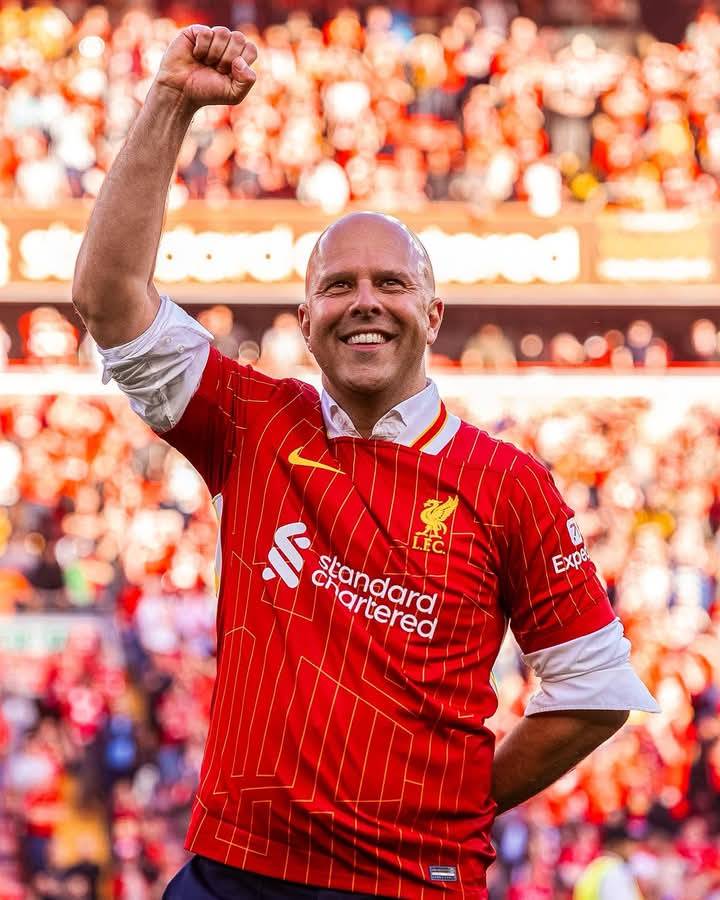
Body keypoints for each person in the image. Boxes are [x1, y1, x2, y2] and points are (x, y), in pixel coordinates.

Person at [71, 24, 659, 900]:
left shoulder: (508, 483)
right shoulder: (252, 423)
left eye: (391, 284)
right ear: (305, 322)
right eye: (338, 286)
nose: (365, 303)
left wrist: (458, 805)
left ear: (434, 313)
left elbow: (596, 687)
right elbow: (109, 299)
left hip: (411, 882)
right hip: (238, 870)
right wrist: (170, 103)